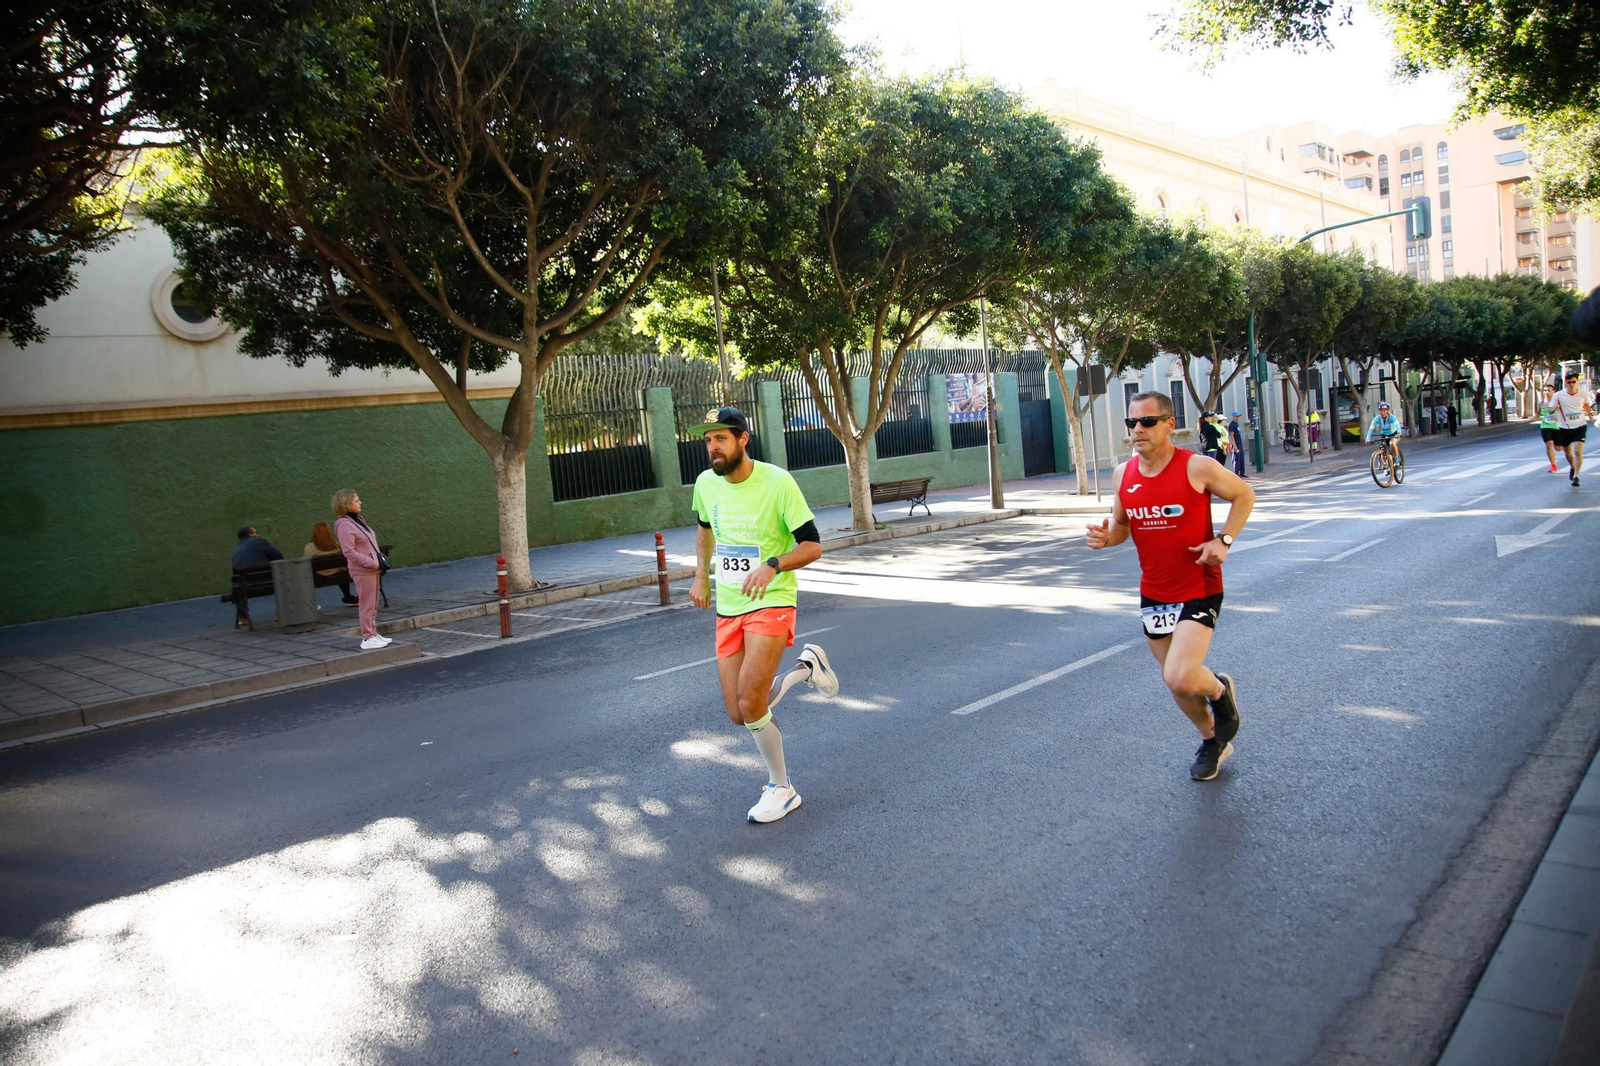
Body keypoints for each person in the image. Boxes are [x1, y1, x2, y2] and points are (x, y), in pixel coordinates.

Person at [1084, 391, 1255, 781]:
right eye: (1132, 423)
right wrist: (1104, 537)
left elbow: (1244, 494)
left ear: (1169, 425)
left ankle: (1219, 691)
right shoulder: (1122, 475)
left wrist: (1223, 540)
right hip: (1155, 592)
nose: (1137, 430)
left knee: (1180, 675)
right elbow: (1123, 527)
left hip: (1199, 584)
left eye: (1147, 422)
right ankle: (1213, 740)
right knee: (1176, 684)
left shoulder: (1196, 467)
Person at [689, 406, 839, 824]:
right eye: (707, 440)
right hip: (728, 605)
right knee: (738, 711)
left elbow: (812, 546)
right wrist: (701, 575)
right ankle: (805, 670)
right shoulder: (705, 484)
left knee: (752, 700)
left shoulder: (777, 482)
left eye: (720, 438)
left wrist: (772, 564)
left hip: (772, 599)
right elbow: (704, 530)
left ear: (743, 439)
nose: (712, 447)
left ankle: (782, 788)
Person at [332, 489, 391, 650]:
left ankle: (373, 632)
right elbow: (349, 551)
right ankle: (367, 637)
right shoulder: (344, 525)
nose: (360, 503)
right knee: (366, 604)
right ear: (346, 503)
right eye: (356, 500)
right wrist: (371, 562)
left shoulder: (357, 520)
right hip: (363, 570)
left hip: (371, 569)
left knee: (372, 603)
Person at [1551, 370, 1594, 487]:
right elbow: (1550, 409)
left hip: (1580, 425)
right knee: (1566, 452)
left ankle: (1576, 476)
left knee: (1577, 451)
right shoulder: (1558, 395)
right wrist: (1552, 409)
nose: (1571, 384)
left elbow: (1586, 405)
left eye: (1573, 382)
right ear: (1565, 382)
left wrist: (1589, 414)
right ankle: (1572, 466)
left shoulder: (1583, 393)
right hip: (1563, 427)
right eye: (1568, 382)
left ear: (1577, 381)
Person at [304, 521, 359, 605]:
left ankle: (310, 603)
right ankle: (348, 596)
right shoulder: (336, 545)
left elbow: (306, 563)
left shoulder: (310, 547)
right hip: (340, 574)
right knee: (339, 570)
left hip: (320, 576)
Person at [1539, 384, 1561, 473]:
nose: (1547, 392)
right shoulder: (1541, 402)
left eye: (1549, 390)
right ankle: (1553, 464)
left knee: (1559, 448)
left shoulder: (1558, 402)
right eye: (1545, 390)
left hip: (1557, 426)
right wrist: (1534, 417)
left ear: (1554, 391)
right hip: (1545, 426)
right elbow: (1537, 413)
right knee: (1549, 443)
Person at [1227, 412, 1248, 478]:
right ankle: (1236, 473)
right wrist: (1234, 445)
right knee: (1237, 459)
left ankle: (1242, 472)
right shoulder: (1232, 425)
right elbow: (1231, 435)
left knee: (1241, 458)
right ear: (1234, 417)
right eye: (1237, 416)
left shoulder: (1237, 424)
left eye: (1239, 416)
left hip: (1240, 443)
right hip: (1236, 444)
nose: (1238, 417)